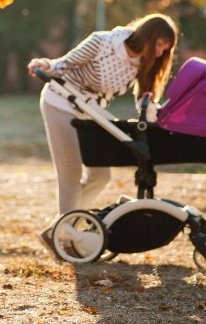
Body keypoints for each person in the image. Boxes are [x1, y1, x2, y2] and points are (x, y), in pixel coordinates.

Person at [27, 13, 179, 255]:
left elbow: (145, 99)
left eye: (166, 49)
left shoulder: (143, 63)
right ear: (149, 36)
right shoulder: (103, 43)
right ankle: (63, 241)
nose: (161, 53)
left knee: (100, 174)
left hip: (91, 111)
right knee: (71, 174)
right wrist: (44, 64)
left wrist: (156, 119)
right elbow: (63, 64)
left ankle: (59, 229)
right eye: (160, 44)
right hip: (61, 103)